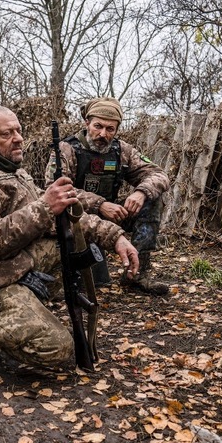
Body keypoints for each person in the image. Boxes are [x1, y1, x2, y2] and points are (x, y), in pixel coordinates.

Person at [0, 106, 139, 371]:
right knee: (58, 348)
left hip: (4, 268)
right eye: (7, 133)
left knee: (68, 245)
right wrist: (45, 206)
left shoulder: (10, 170)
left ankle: (21, 302)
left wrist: (115, 237)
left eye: (18, 131)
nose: (18, 138)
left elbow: (60, 217)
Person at [45, 96, 170, 295]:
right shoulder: (66, 149)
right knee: (92, 284)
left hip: (112, 215)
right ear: (87, 123)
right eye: (98, 126)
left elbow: (159, 175)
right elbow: (56, 189)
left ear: (117, 129)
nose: (103, 134)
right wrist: (100, 204)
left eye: (110, 129)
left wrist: (140, 192)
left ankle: (137, 274)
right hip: (77, 218)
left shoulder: (122, 151)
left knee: (152, 199)